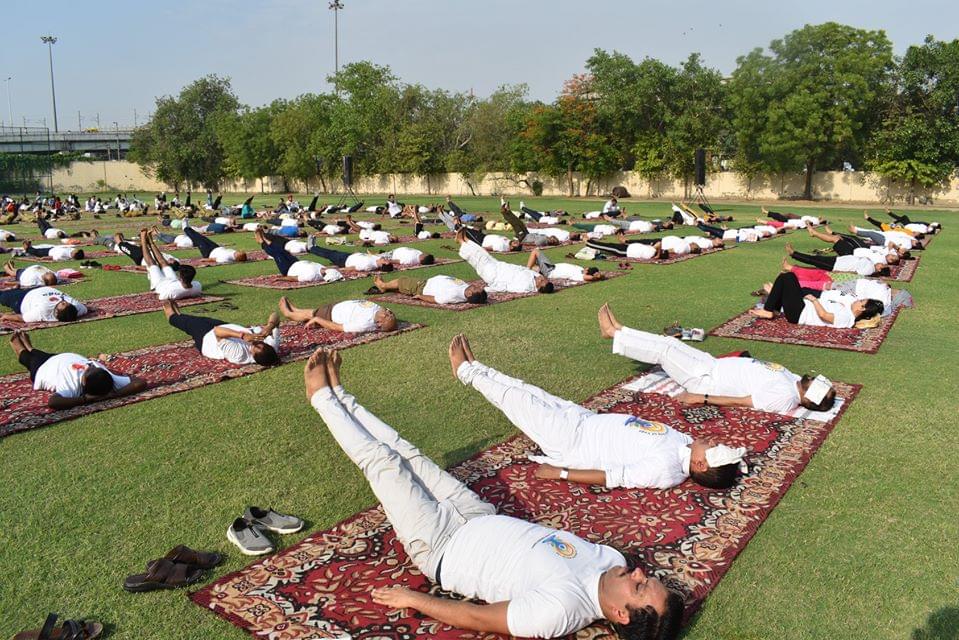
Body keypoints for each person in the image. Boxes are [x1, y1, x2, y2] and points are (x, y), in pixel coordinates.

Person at [304, 347, 684, 639]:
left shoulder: (561, 611)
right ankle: (341, 396)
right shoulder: (612, 559)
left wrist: (414, 599)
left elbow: (477, 618)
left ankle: (321, 399)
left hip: (440, 544)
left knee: (383, 462)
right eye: (645, 576)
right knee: (406, 452)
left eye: (639, 585)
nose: (637, 572)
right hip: (477, 514)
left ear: (621, 614)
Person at [453, 334, 746, 491]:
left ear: (701, 465)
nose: (711, 440)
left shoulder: (665, 469)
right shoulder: (685, 444)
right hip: (584, 420)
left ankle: (465, 372)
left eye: (713, 448)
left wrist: (562, 473)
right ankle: (477, 367)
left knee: (516, 400)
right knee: (526, 391)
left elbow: (613, 476)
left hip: (571, 441)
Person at [598, 303, 836, 413]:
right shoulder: (794, 381)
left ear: (809, 395)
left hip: (705, 379)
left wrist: (699, 398)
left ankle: (613, 335)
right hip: (712, 365)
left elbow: (742, 402)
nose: (815, 379)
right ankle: (621, 331)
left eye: (818, 385)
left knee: (664, 353)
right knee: (671, 342)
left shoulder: (785, 396)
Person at [9, 329, 146, 409]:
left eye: (88, 369)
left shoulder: (72, 386)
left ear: (84, 382)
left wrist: (85, 400)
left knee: (28, 358)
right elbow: (140, 382)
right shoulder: (108, 379)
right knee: (39, 354)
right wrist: (115, 395)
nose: (90, 366)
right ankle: (30, 347)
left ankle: (20, 347)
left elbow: (53, 402)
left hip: (44, 369)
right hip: (62, 359)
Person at [749, 269, 884, 328]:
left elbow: (824, 315)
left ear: (862, 308)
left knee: (788, 277)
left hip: (800, 314)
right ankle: (775, 304)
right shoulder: (848, 311)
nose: (857, 300)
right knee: (786, 279)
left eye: (860, 301)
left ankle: (769, 309)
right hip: (803, 307)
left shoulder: (847, 319)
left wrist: (814, 300)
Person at [163, 299, 280, 366]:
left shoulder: (239, 355)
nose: (257, 342)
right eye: (261, 344)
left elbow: (217, 332)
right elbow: (275, 315)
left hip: (207, 338)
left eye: (256, 347)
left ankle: (171, 313)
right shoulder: (271, 346)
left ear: (253, 356)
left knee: (174, 319)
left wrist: (243, 335)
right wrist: (269, 327)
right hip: (225, 326)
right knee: (192, 319)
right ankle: (180, 315)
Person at [456, 229, 553, 294]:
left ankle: (461, 242)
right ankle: (466, 240)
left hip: (494, 275)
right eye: (544, 279)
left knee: (477, 258)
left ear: (539, 287)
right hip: (499, 266)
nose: (542, 279)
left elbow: (507, 287)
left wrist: (490, 288)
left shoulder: (525, 287)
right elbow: (524, 269)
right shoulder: (535, 277)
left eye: (542, 281)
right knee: (482, 253)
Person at [255, 228, 344, 283]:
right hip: (296, 263)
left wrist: (280, 279)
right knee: (282, 250)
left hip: (288, 269)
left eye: (327, 271)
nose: (326, 269)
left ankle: (262, 241)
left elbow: (294, 278)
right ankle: (265, 239)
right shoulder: (322, 268)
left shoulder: (312, 276)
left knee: (277, 253)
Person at [278, 296, 397, 334]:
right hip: (337, 307)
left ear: (379, 323)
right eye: (389, 313)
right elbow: (384, 309)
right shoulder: (379, 310)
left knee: (311, 314)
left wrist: (318, 319)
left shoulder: (365, 324)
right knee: (312, 311)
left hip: (331, 315)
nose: (387, 312)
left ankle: (288, 313)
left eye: (387, 316)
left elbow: (338, 327)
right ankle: (296, 309)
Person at [139, 230, 201, 300]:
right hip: (173, 281)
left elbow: (159, 297)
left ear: (180, 277)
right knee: (164, 262)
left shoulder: (172, 292)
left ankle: (143, 239)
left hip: (160, 284)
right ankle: (151, 242)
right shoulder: (197, 285)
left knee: (152, 264)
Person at [803, 224, 900, 265]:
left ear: (890, 260)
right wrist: (897, 249)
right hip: (856, 249)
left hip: (851, 254)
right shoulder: (886, 255)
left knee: (835, 239)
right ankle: (819, 233)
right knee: (839, 238)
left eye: (892, 256)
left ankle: (814, 233)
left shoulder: (880, 261)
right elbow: (891, 244)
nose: (892, 254)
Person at [370, 273, 488, 305]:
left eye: (477, 288)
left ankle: (383, 286)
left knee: (402, 281)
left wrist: (421, 297)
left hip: (422, 287)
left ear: (470, 293)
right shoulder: (465, 289)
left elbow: (436, 299)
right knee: (403, 286)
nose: (477, 286)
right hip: (427, 282)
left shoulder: (453, 295)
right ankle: (391, 288)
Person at [785, 242, 888, 277]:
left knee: (813, 260)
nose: (880, 263)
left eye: (882, 265)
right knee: (815, 259)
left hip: (836, 266)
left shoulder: (869, 270)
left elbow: (855, 274)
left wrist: (838, 272)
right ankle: (793, 261)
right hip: (838, 260)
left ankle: (793, 254)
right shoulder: (871, 264)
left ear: (879, 270)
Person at [0, 284, 87, 324]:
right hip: (40, 288)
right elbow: (84, 309)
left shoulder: (43, 311)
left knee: (3, 296)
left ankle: (13, 290)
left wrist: (5, 316)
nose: (65, 301)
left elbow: (22, 318)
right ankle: (14, 289)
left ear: (57, 312)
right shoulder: (78, 308)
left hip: (22, 299)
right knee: (13, 292)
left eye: (63, 304)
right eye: (67, 303)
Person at [306, 243, 394, 273]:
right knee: (331, 252)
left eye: (386, 261)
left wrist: (339, 269)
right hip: (349, 255)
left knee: (328, 253)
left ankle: (311, 248)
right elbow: (370, 255)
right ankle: (314, 247)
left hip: (344, 260)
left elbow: (353, 268)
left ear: (383, 264)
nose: (386, 259)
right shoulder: (376, 259)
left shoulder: (368, 266)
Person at [528, 248, 605, 282]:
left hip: (550, 271)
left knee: (535, 251)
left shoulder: (579, 276)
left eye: (588, 269)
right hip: (551, 267)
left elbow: (590, 278)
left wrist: (597, 277)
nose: (586, 267)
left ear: (587, 272)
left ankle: (526, 271)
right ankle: (529, 271)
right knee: (533, 267)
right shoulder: (580, 269)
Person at [182, 226, 248, 264]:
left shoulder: (226, 259)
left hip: (208, 252)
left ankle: (185, 228)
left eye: (239, 253)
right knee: (202, 237)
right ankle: (188, 228)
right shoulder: (234, 252)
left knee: (197, 239)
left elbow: (214, 259)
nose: (238, 251)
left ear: (237, 257)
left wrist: (204, 260)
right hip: (215, 247)